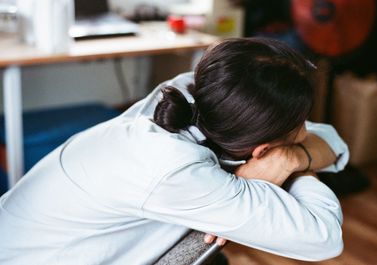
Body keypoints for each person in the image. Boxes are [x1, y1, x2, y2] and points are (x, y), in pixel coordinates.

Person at [0, 38, 349, 264]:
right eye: (300, 125)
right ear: (261, 148)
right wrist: (292, 159)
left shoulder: (198, 93)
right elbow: (325, 238)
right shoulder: (172, 168)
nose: (307, 129)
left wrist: (292, 156)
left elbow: (330, 140)